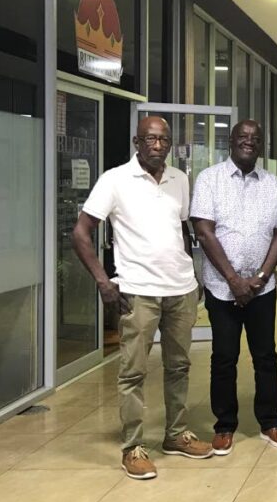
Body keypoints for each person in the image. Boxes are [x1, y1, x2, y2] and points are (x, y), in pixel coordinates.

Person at [72, 116, 212, 479]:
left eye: (163, 140)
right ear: (137, 141)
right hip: (137, 291)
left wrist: (189, 271)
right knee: (133, 371)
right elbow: (81, 232)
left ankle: (176, 434)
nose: (157, 145)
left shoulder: (179, 179)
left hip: (180, 290)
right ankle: (133, 446)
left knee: (179, 367)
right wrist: (104, 282)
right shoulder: (115, 179)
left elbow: (181, 228)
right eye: (150, 139)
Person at [190, 120, 277, 456]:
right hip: (222, 288)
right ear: (231, 141)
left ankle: (270, 422)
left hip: (262, 288)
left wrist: (260, 276)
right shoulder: (210, 179)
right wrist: (234, 279)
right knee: (223, 358)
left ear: (261, 146)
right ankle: (224, 425)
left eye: (255, 139)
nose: (249, 142)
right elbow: (204, 231)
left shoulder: (272, 184)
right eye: (243, 137)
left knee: (266, 358)